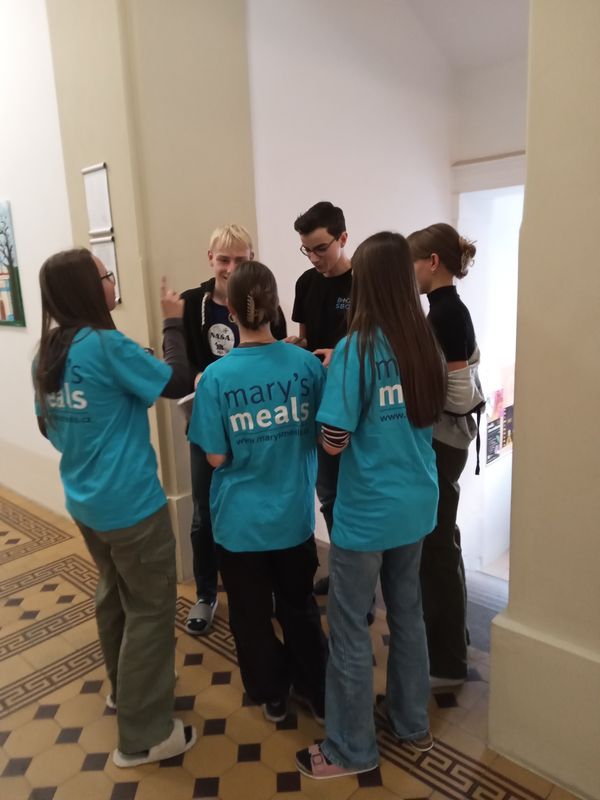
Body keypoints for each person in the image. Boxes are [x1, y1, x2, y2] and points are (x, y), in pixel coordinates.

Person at [32, 248, 196, 767]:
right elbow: (177, 382)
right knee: (150, 608)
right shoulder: (105, 345)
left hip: (86, 503)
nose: (111, 280)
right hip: (131, 505)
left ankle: (125, 691)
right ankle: (144, 736)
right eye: (105, 274)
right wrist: (173, 322)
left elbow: (47, 426)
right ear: (89, 287)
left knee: (114, 593)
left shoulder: (49, 352)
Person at [295, 231, 447, 780]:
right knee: (408, 614)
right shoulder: (424, 342)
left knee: (350, 628)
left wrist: (332, 403)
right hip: (417, 503)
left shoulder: (357, 348)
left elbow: (335, 438)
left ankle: (350, 748)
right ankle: (412, 724)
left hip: (368, 512)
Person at [188, 261, 327, 723]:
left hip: (239, 524)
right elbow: (324, 433)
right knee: (299, 607)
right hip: (293, 518)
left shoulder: (216, 378)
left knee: (250, 616)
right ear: (276, 306)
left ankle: (272, 694)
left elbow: (214, 457)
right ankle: (317, 690)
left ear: (230, 311)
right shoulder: (307, 366)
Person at [175, 224, 287, 636]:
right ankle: (206, 593)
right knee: (204, 514)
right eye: (224, 259)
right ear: (210, 259)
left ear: (252, 260)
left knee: (259, 504)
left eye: (241, 260)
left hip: (255, 427)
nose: (231, 268)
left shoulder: (266, 303)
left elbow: (274, 353)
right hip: (207, 428)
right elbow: (181, 366)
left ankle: (266, 587)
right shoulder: (192, 304)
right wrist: (201, 379)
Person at [407, 222, 484, 689]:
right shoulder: (445, 310)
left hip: (443, 442)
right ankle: (452, 646)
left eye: (412, 263)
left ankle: (447, 662)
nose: (409, 273)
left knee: (436, 548)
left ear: (432, 262)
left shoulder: (447, 313)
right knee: (441, 542)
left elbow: (456, 395)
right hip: (447, 442)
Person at [289, 202, 352, 596]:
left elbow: (377, 347)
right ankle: (345, 576)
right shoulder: (306, 283)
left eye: (321, 248)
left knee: (352, 498)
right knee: (328, 495)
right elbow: (306, 339)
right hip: (319, 405)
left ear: (343, 238)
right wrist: (293, 347)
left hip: (354, 408)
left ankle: (359, 588)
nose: (314, 258)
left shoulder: (364, 284)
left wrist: (339, 355)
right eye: (306, 250)